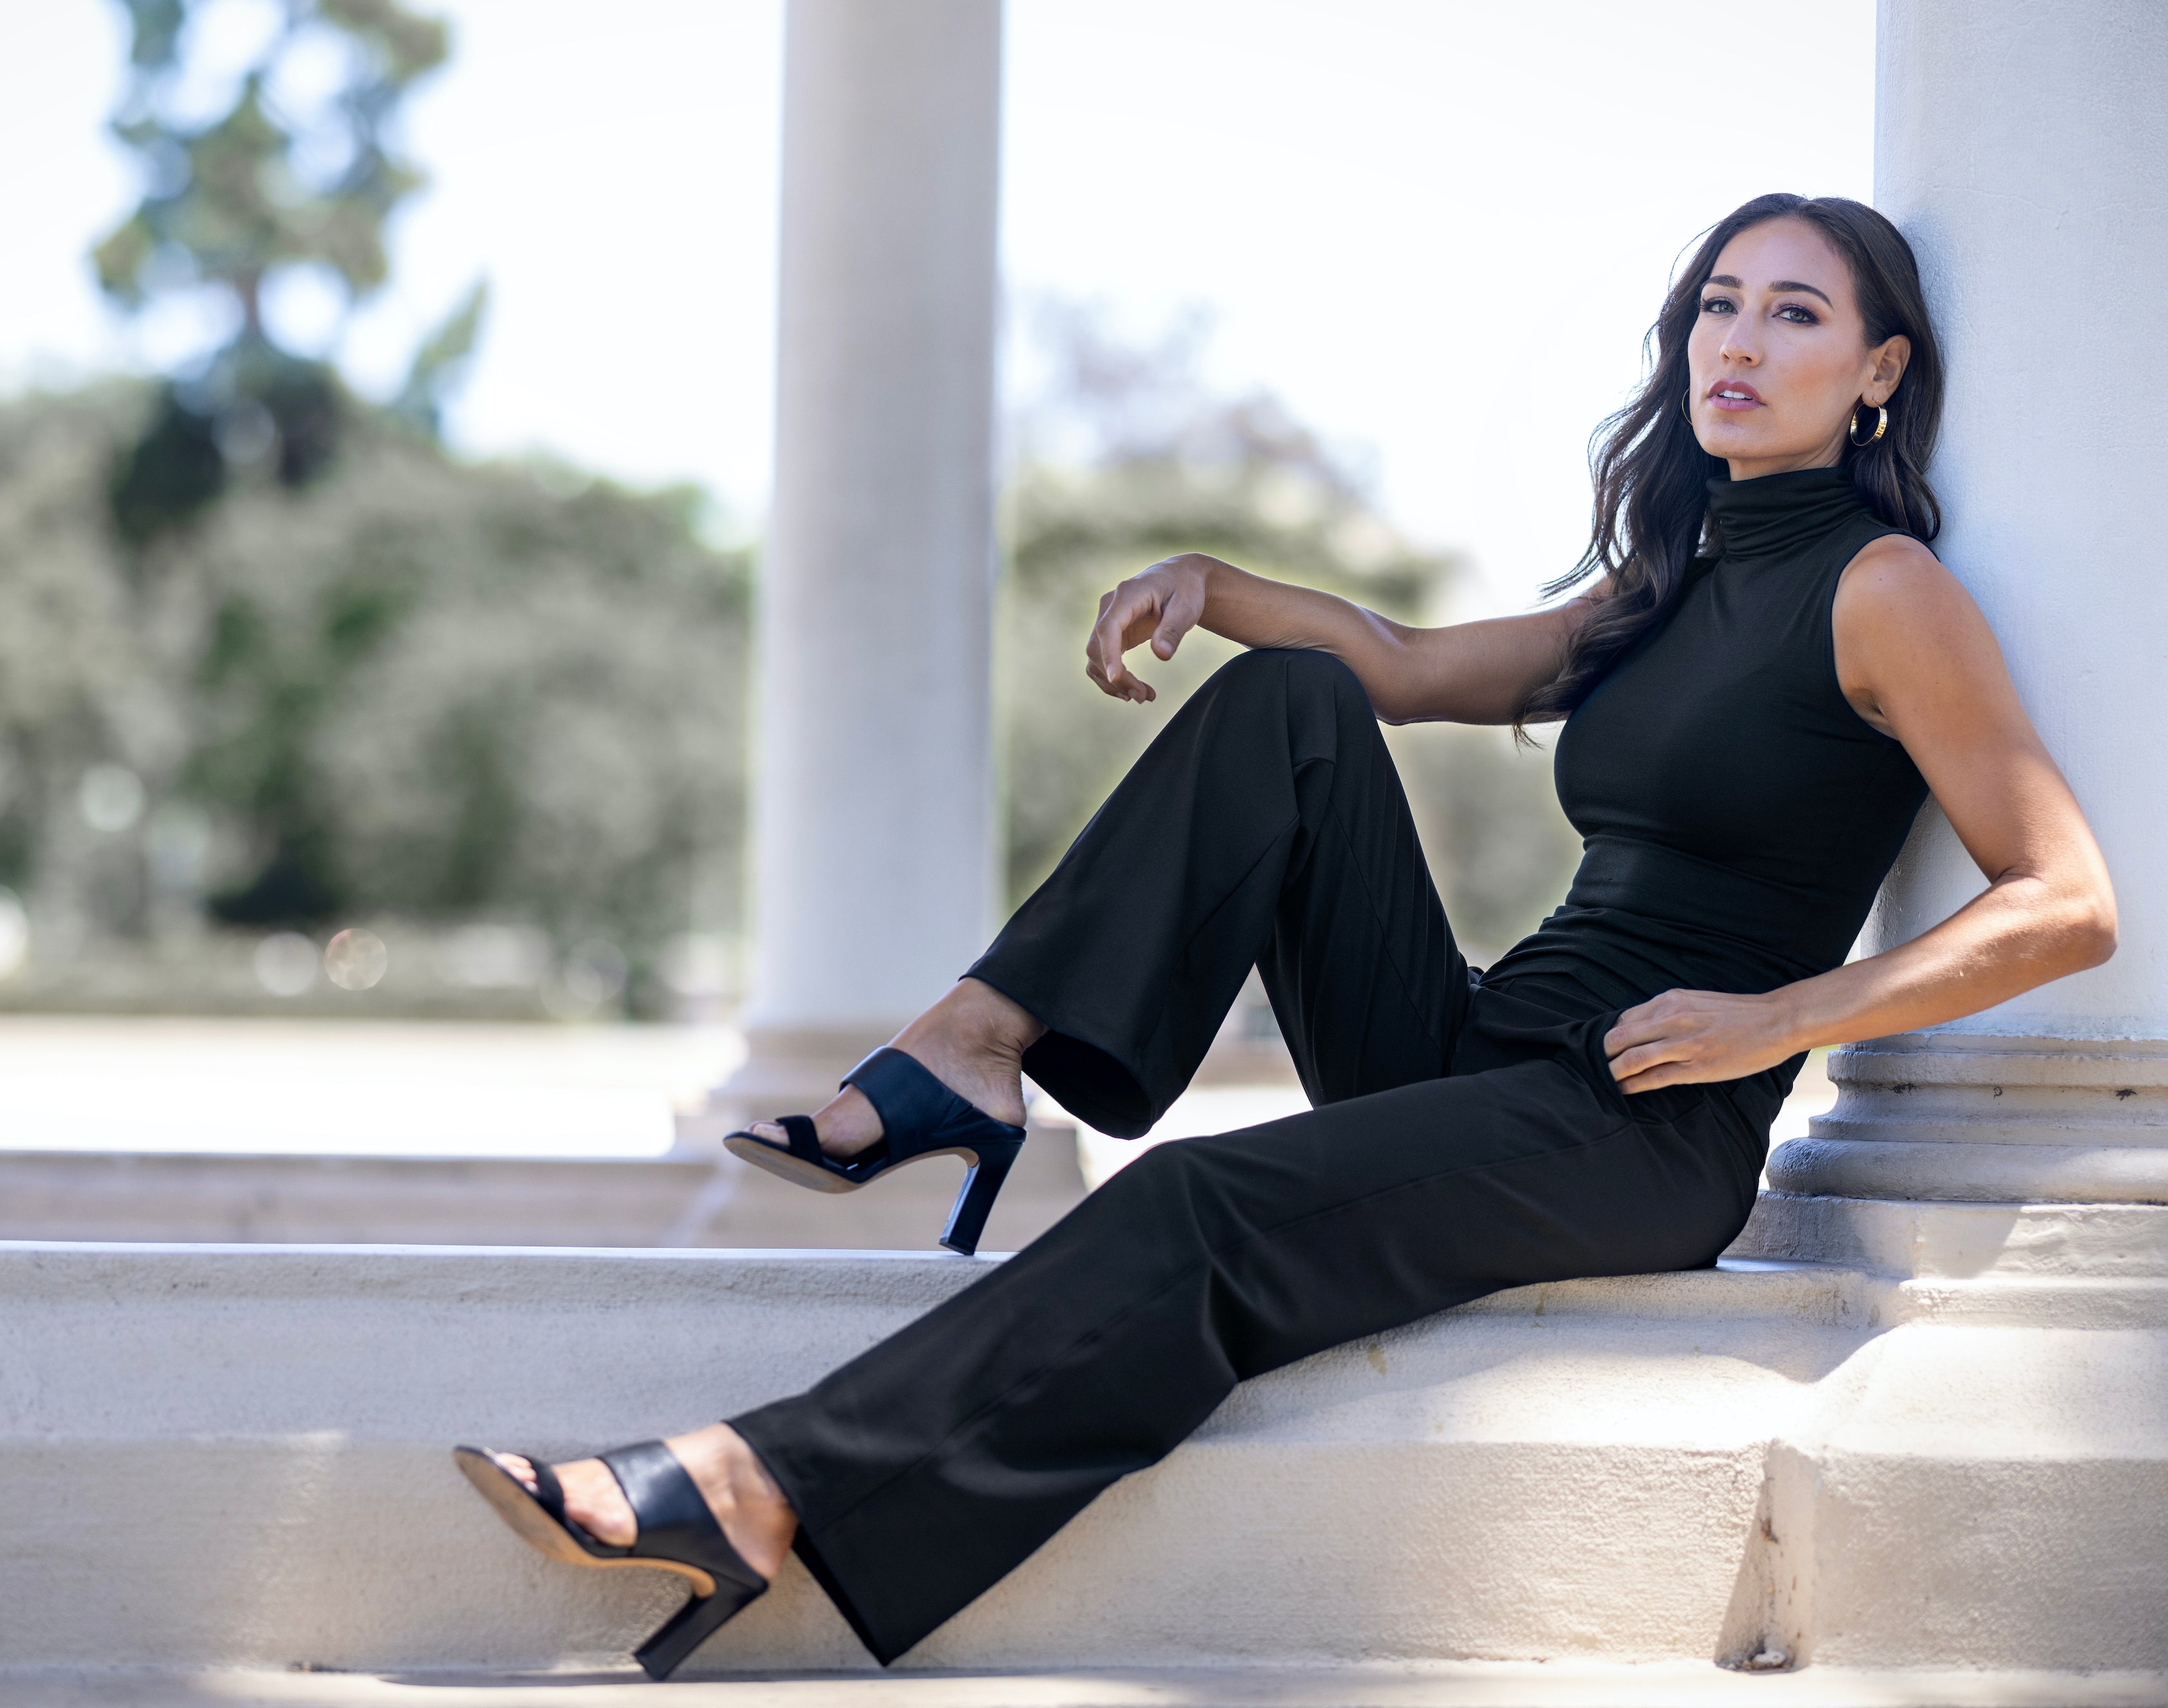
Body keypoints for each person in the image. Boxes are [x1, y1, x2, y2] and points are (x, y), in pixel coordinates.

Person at [451, 192, 2117, 1679]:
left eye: (1793, 313)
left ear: (1880, 369)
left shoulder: (1889, 592)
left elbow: (2066, 898)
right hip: (1483, 1047)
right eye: (1716, 303)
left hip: (1641, 1118)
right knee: (1294, 704)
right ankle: (973, 1042)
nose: (1735, 340)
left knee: (1198, 1196)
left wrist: (1779, 1023)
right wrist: (1213, 580)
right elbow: (1392, 662)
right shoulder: (1659, 591)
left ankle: (755, 1487)